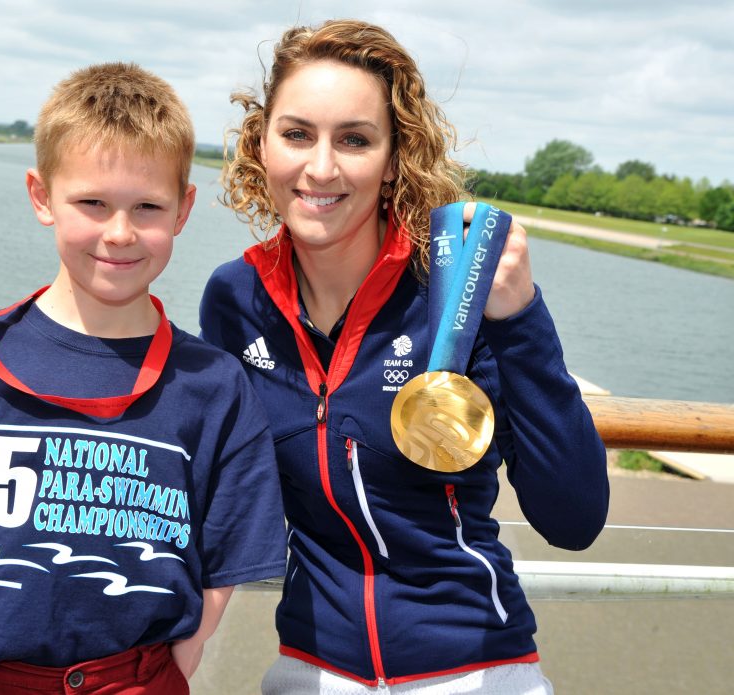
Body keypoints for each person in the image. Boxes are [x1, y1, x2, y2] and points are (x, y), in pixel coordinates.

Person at [0, 62, 287, 694]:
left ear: (183, 209)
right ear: (40, 196)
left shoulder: (212, 386)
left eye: (148, 207)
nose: (119, 233)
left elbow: (221, 564)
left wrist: (164, 672)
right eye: (92, 203)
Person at [200, 19, 610, 694]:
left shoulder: (454, 293)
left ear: (394, 159)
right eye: (297, 133)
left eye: (354, 139)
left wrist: (522, 319)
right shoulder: (233, 299)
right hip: (309, 668)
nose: (321, 167)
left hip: (475, 667)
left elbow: (574, 517)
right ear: (260, 143)